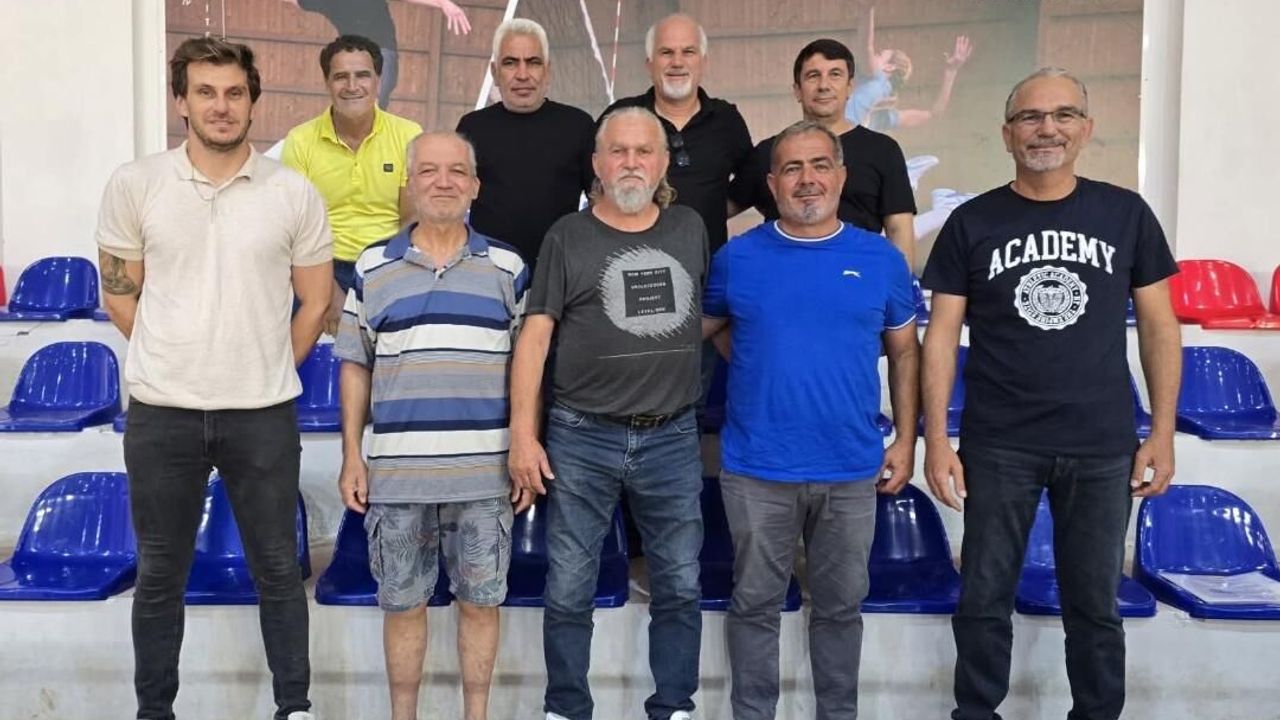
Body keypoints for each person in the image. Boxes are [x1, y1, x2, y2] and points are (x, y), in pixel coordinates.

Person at [920, 68, 1182, 720]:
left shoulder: (1126, 213)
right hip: (999, 443)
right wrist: (937, 438)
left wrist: (1162, 432)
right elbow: (941, 334)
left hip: (1101, 445)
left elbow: (1159, 327)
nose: (1047, 129)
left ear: (1085, 129)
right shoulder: (971, 221)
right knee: (983, 599)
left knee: (1095, 607)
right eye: (1031, 117)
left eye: (1063, 115)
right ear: (1007, 133)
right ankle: (975, 713)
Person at [96, 36, 332, 720]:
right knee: (159, 573)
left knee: (278, 569)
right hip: (162, 413)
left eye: (234, 93)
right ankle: (155, 711)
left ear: (253, 102)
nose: (221, 106)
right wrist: (175, 357)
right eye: (205, 92)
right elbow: (120, 294)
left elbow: (316, 302)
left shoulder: (292, 192)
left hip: (262, 413)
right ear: (182, 101)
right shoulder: (135, 184)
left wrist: (263, 366)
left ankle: (295, 708)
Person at [703, 120, 919, 720]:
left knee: (840, 610)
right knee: (754, 606)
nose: (807, 180)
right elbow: (707, 329)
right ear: (772, 184)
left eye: (820, 165)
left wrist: (906, 438)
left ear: (841, 177)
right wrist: (760, 359)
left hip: (850, 468)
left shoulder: (880, 259)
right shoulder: (736, 258)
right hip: (757, 468)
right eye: (792, 168)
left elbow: (905, 352)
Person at [508, 107, 706, 720]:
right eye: (617, 151)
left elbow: (707, 318)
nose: (631, 163)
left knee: (680, 583)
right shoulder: (567, 235)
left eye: (644, 151)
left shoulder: (691, 228)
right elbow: (535, 337)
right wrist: (522, 435)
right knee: (569, 585)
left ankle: (673, 706)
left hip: (671, 435)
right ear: (597, 163)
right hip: (581, 436)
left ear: (663, 162)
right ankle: (567, 707)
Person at [335, 130, 528, 720]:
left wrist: (524, 445)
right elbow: (354, 365)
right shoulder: (372, 267)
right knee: (402, 607)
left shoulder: (509, 268)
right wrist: (351, 455)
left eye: (456, 171)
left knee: (481, 604)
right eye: (428, 171)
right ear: (410, 185)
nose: (443, 182)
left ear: (475, 185)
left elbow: (529, 368)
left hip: (485, 475)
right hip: (399, 477)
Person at [728, 39, 917, 266]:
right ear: (797, 90)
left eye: (835, 75)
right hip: (783, 277)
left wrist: (902, 283)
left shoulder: (883, 150)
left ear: (850, 87)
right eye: (813, 76)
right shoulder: (769, 152)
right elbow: (719, 209)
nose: (824, 85)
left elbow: (899, 229)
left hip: (859, 277)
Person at [282, 34, 423, 334]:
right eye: (340, 77)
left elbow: (411, 219)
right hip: (319, 265)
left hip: (387, 261)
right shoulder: (300, 140)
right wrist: (327, 291)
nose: (352, 86)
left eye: (362, 75)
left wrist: (384, 280)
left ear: (378, 81)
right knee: (296, 349)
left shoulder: (408, 134)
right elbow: (294, 228)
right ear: (327, 83)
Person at [602, 13, 752, 255]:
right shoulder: (622, 117)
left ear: (703, 62)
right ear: (649, 64)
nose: (677, 62)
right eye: (666, 52)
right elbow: (594, 186)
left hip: (706, 268)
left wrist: (712, 211)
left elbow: (750, 182)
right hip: (632, 265)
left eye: (688, 52)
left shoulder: (726, 119)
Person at [456, 18, 595, 267]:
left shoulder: (578, 126)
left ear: (547, 71)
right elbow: (451, 203)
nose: (522, 75)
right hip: (487, 271)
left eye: (533, 62)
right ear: (494, 72)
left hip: (559, 271)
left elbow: (600, 202)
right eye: (510, 63)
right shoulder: (472, 128)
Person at [281, 0, 470, 108]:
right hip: (355, 60)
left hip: (380, 55)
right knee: (358, 108)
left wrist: (443, 3)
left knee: (370, 105)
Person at [845, 4, 973, 132]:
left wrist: (868, 9)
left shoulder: (877, 78)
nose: (874, 56)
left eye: (879, 55)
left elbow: (866, 46)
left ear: (889, 67)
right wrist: (951, 72)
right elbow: (934, 114)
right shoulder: (886, 115)